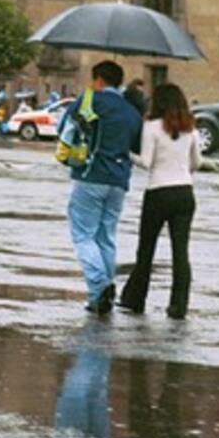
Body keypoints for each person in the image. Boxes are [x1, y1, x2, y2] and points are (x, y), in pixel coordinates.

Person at [118, 84, 202, 319]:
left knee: (146, 249)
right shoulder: (190, 129)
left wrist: (127, 155)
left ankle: (135, 298)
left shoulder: (152, 127)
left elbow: (146, 161)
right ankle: (178, 305)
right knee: (180, 251)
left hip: (158, 191)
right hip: (185, 191)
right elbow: (197, 162)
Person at [65, 60, 143, 314]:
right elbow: (137, 146)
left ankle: (99, 287)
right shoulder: (131, 111)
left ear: (98, 79)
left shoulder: (90, 101)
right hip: (119, 182)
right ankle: (104, 291)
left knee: (83, 235)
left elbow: (64, 129)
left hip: (90, 175)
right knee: (106, 237)